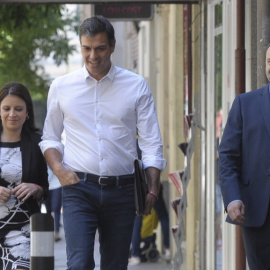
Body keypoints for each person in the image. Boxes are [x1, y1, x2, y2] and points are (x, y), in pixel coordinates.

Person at [39, 15, 166, 270]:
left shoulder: (136, 86)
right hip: (78, 188)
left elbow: (152, 142)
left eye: (100, 48)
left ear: (112, 46)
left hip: (123, 190)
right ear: (80, 46)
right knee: (79, 263)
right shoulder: (62, 87)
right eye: (86, 48)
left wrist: (152, 187)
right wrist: (59, 170)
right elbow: (50, 138)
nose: (93, 56)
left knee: (115, 264)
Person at [218, 44, 270, 270]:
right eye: (269, 61)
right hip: (259, 212)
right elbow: (228, 157)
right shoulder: (245, 104)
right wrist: (232, 197)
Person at [0, 82, 48, 270]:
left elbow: (46, 189)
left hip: (25, 232)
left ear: (27, 112)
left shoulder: (38, 143)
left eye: (18, 109)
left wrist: (36, 188)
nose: (12, 114)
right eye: (7, 108)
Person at [43, 166, 62, 242]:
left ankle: (56, 232)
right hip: (45, 187)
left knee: (56, 208)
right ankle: (48, 233)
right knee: (48, 210)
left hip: (56, 185)